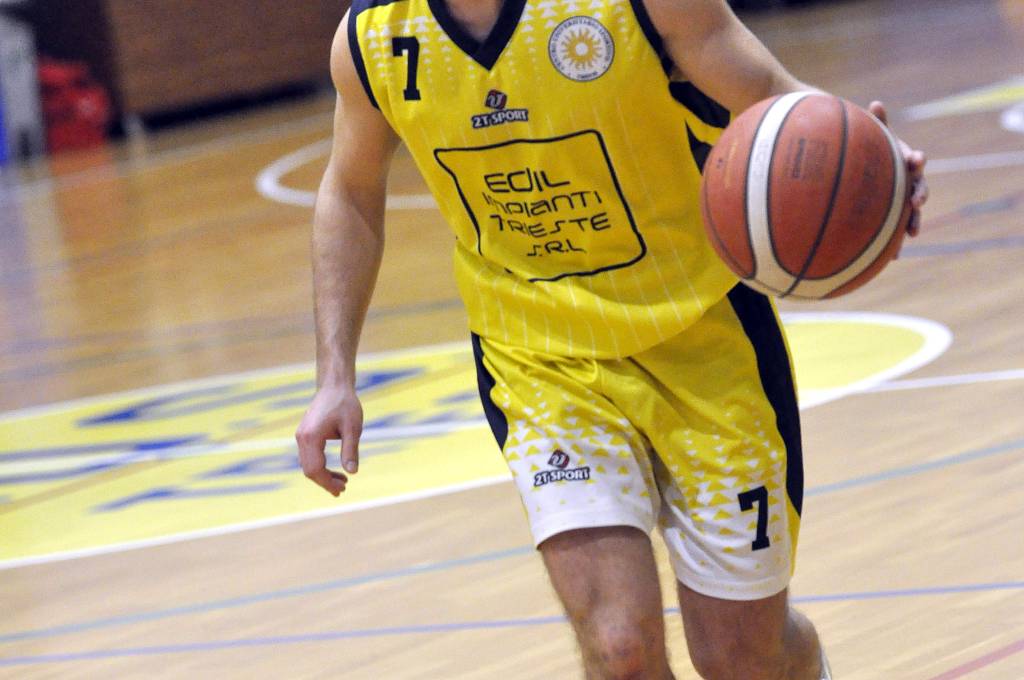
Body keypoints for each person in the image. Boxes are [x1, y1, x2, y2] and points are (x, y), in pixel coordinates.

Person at [295, 0, 928, 677]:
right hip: (539, 359)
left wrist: (875, 164)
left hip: (707, 339)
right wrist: (335, 376)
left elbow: (770, 94)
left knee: (743, 655)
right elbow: (350, 189)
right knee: (619, 647)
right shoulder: (373, 38)